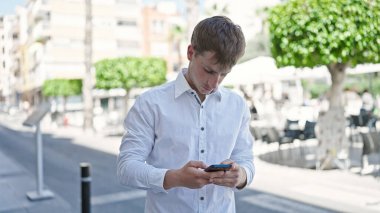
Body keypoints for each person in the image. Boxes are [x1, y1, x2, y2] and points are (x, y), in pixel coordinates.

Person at [117, 16, 255, 213]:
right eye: (208, 70)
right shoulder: (150, 103)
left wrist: (240, 175)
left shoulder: (237, 105)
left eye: (223, 74)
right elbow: (126, 168)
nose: (214, 83)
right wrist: (174, 178)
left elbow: (246, 160)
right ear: (191, 52)